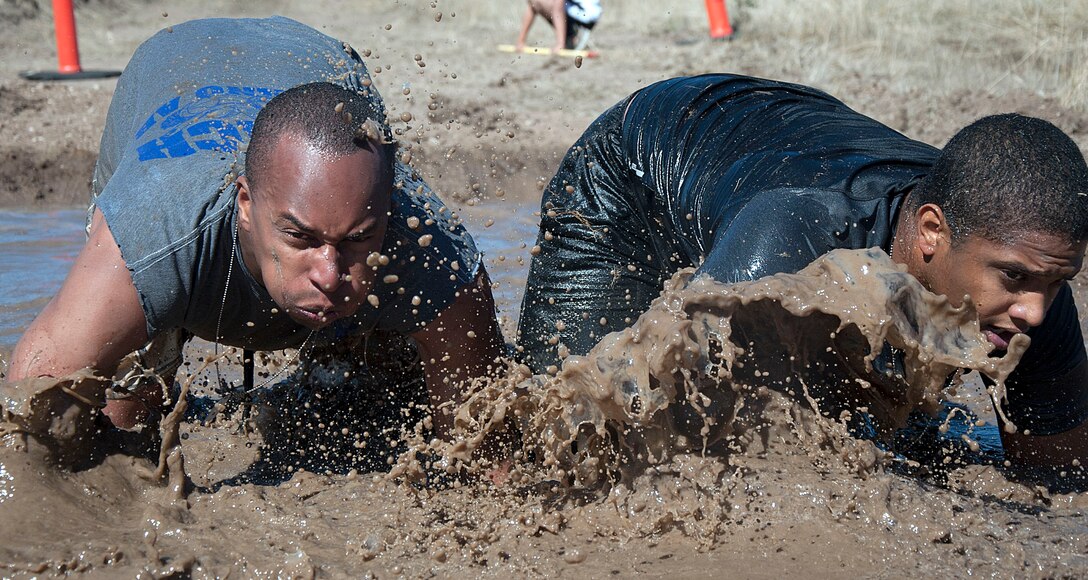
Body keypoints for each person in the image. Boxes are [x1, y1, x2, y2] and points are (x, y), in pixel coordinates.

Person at [516, 73, 1088, 468]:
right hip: (639, 164)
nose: (1034, 311)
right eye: (1013, 279)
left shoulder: (1034, 280)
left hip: (789, 139)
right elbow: (691, 433)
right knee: (570, 441)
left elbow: (1057, 477)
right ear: (933, 232)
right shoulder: (789, 244)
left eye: (1056, 283)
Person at [4, 17, 505, 463]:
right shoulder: (155, 237)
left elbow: (485, 450)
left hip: (312, 54)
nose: (329, 274)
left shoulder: (429, 249)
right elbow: (26, 425)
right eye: (299, 237)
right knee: (125, 414)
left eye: (356, 240)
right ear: (244, 203)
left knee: (383, 392)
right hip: (174, 63)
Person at [515, 0, 602, 54]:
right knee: (534, 2)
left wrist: (560, 45)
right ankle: (520, 42)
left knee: (542, 2)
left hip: (585, 16)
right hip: (579, 12)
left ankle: (565, 41)